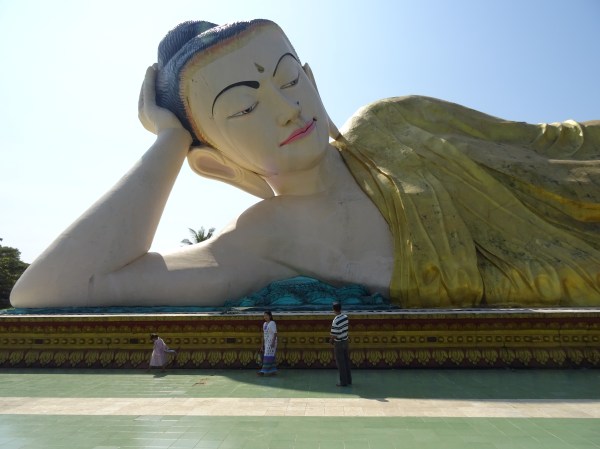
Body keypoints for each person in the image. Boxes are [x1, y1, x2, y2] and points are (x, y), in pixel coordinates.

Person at [10, 19, 600, 310]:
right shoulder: (264, 239)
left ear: (312, 80)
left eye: (289, 78)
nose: (286, 107)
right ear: (214, 163)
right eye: (244, 106)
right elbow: (50, 289)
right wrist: (169, 144)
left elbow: (550, 152)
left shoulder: (396, 126)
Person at [329, 302, 351, 387]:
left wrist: (331, 340)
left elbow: (334, 335)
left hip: (339, 343)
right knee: (346, 361)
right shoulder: (345, 317)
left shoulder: (336, 321)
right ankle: (348, 380)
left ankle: (343, 382)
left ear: (333, 309)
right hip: (345, 341)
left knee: (341, 363)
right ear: (340, 308)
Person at [258, 310, 278, 376]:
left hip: (272, 341)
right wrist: (262, 345)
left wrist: (273, 342)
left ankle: (264, 370)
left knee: (267, 354)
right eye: (264, 316)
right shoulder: (264, 324)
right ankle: (273, 370)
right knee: (269, 355)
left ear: (270, 316)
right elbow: (264, 334)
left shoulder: (272, 323)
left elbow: (275, 333)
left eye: (266, 315)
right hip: (266, 342)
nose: (265, 317)